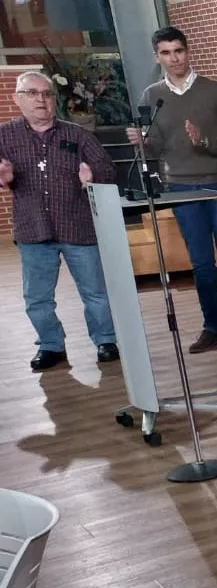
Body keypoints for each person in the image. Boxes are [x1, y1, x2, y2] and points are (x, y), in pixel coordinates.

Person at [129, 26, 217, 353]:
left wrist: (203, 141)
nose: (174, 58)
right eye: (166, 53)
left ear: (188, 51)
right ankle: (213, 328)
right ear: (157, 57)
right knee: (201, 263)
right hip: (179, 187)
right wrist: (143, 142)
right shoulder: (151, 96)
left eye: (178, 51)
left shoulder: (216, 91)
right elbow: (156, 146)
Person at [0, 71, 119, 370]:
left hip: (78, 226)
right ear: (17, 99)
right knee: (37, 297)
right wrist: (4, 177)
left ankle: (106, 340)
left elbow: (107, 169)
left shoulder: (78, 135)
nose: (41, 100)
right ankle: (51, 345)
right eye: (32, 93)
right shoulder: (4, 135)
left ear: (54, 100)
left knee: (95, 292)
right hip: (33, 229)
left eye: (47, 94)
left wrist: (93, 176)